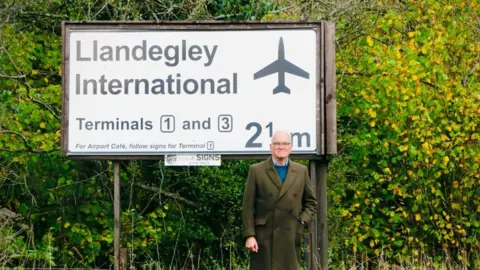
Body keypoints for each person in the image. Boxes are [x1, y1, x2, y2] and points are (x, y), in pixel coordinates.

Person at [241, 130, 317, 270]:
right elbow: (247, 206)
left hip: (291, 234)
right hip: (264, 237)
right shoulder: (256, 170)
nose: (281, 147)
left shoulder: (301, 171)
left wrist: (301, 221)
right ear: (271, 147)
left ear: (290, 147)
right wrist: (249, 235)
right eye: (277, 143)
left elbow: (311, 203)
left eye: (285, 143)